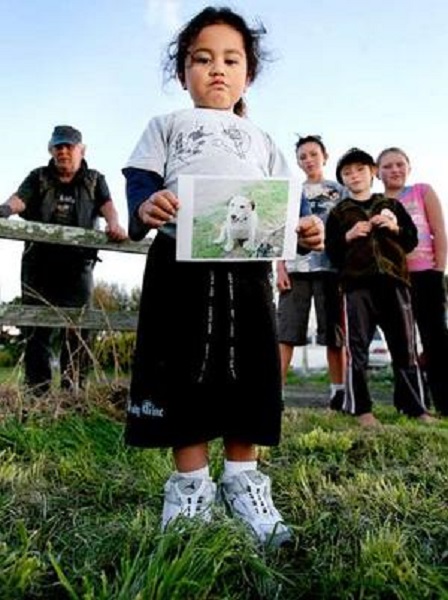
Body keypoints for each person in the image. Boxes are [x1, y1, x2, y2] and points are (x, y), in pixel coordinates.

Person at [122, 6, 324, 546]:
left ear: (247, 75)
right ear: (182, 71)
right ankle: (189, 487)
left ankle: (243, 481)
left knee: (252, 367)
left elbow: (292, 203)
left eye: (230, 60)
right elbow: (139, 185)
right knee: (179, 364)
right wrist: (147, 207)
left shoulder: (261, 139)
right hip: (177, 270)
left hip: (248, 272)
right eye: (202, 59)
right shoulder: (164, 127)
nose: (217, 69)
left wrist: (306, 229)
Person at [1, 125, 127, 395]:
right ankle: (38, 393)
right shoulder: (39, 177)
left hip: (77, 268)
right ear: (51, 150)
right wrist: (4, 210)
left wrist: (115, 224)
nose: (63, 151)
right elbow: (19, 200)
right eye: (58, 146)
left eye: (69, 146)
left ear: (82, 149)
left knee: (79, 329)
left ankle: (73, 392)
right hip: (38, 266)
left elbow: (108, 206)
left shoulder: (94, 179)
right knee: (36, 329)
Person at [325, 147, 434, 427]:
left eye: (360, 170)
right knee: (357, 347)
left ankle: (415, 407)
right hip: (356, 286)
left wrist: (393, 227)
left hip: (394, 282)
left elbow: (410, 240)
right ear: (342, 180)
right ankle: (361, 409)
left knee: (404, 346)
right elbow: (332, 253)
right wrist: (348, 236)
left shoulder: (391, 205)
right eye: (347, 173)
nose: (354, 176)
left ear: (372, 172)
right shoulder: (339, 212)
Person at [377, 147, 448, 416]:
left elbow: (439, 231)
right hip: (394, 280)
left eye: (399, 164)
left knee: (436, 341)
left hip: (427, 275)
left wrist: (438, 268)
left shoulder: (422, 191)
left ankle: (444, 403)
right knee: (401, 343)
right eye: (387, 166)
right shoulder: (376, 201)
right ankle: (411, 403)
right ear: (378, 171)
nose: (394, 170)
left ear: (408, 167)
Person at [276, 135, 346, 409]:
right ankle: (276, 392)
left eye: (313, 154)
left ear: (324, 156)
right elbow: (280, 231)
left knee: (334, 333)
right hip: (296, 268)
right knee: (287, 331)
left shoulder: (339, 190)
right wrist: (280, 266)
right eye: (302, 156)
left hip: (331, 269)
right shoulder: (293, 190)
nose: (308, 160)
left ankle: (338, 392)